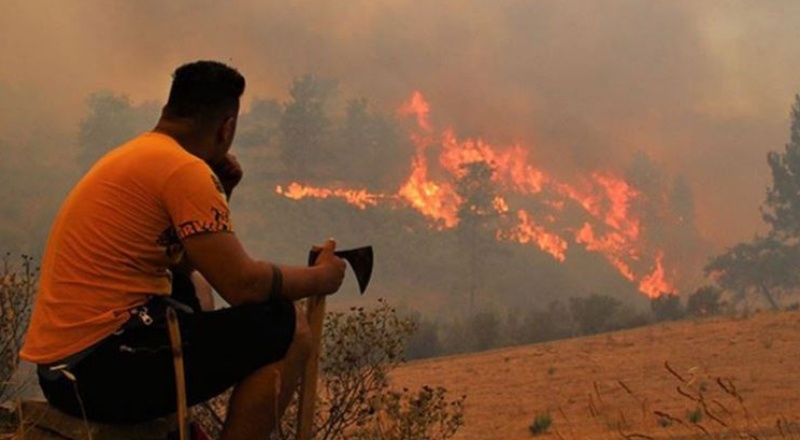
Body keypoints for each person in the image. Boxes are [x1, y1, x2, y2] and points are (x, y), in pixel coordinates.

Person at [20, 60, 346, 439]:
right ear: (226, 127)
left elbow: (191, 262)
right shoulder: (183, 170)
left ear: (169, 110)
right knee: (287, 327)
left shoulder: (142, 153)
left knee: (193, 286)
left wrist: (222, 193)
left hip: (61, 370)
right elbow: (243, 286)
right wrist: (322, 277)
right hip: (97, 374)